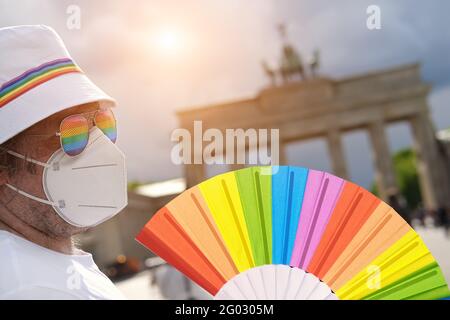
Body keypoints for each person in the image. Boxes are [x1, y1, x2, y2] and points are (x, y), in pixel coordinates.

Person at [0, 25, 128, 299]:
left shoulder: (46, 266)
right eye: (72, 131)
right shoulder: (30, 289)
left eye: (103, 122)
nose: (100, 146)